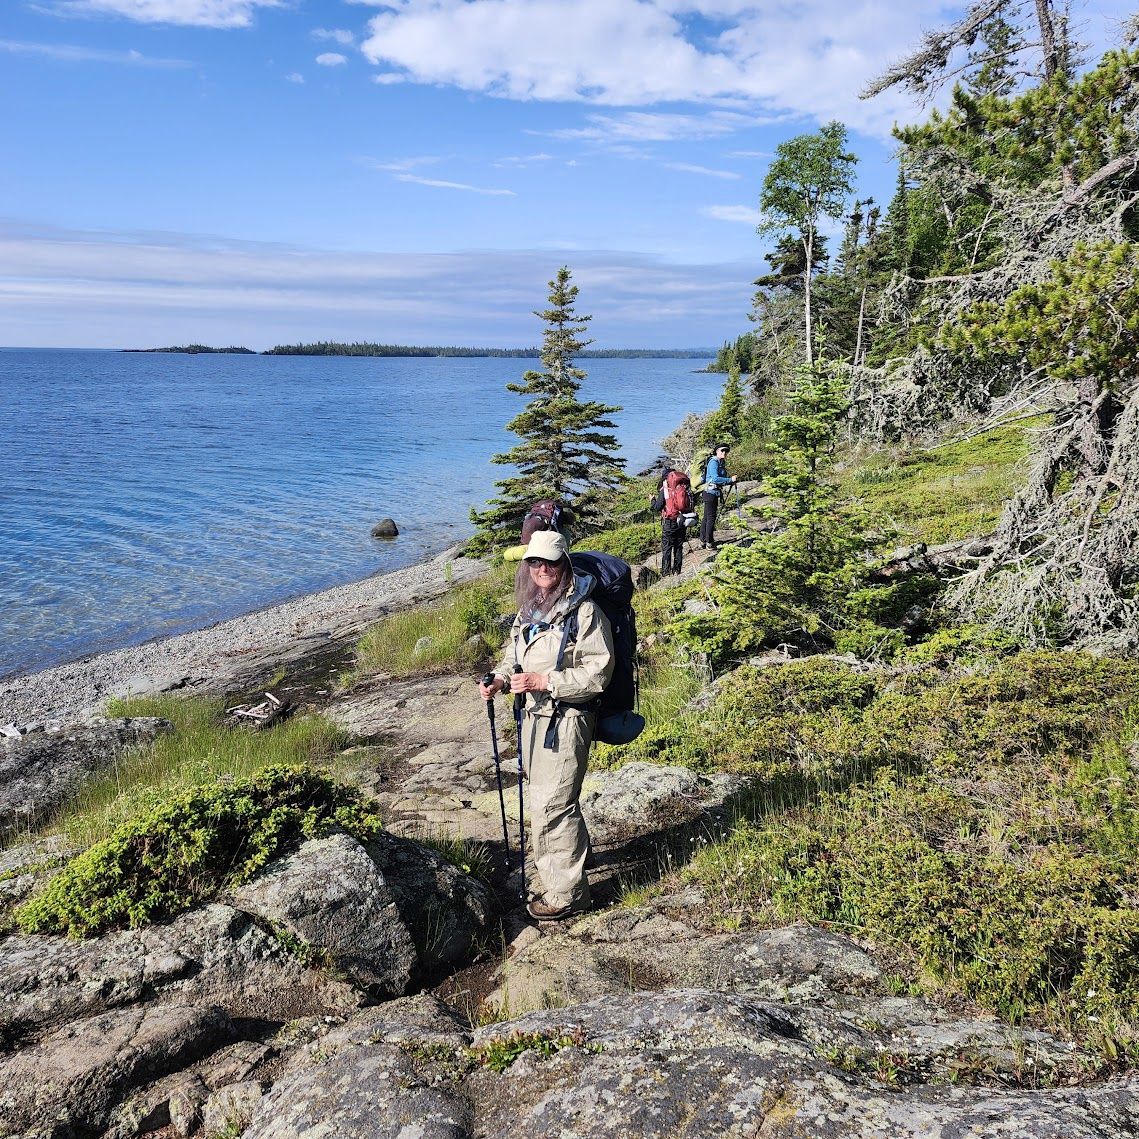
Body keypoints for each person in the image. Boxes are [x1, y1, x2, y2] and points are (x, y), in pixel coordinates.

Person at [479, 530, 614, 921]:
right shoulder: (532, 609)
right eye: (534, 562)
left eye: (550, 563)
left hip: (568, 719)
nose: (541, 569)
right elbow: (513, 655)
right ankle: (578, 857)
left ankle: (566, 894)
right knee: (547, 794)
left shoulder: (584, 612)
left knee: (553, 804)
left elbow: (599, 672)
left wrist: (545, 682)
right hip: (532, 718)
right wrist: (502, 679)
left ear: (564, 565)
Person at [650, 468, 693, 575]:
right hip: (682, 519)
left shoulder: (666, 489)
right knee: (679, 546)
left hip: (670, 521)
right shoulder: (683, 486)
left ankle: (666, 572)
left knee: (667, 547)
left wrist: (652, 500)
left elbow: (657, 506)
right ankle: (677, 570)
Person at [699, 442, 737, 550]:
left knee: (707, 517)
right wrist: (730, 480)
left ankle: (703, 540)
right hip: (710, 493)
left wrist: (729, 481)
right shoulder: (714, 462)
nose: (724, 452)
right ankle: (709, 542)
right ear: (717, 451)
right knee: (710, 518)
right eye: (722, 450)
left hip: (712, 492)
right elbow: (715, 478)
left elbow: (720, 478)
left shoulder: (721, 462)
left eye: (726, 451)